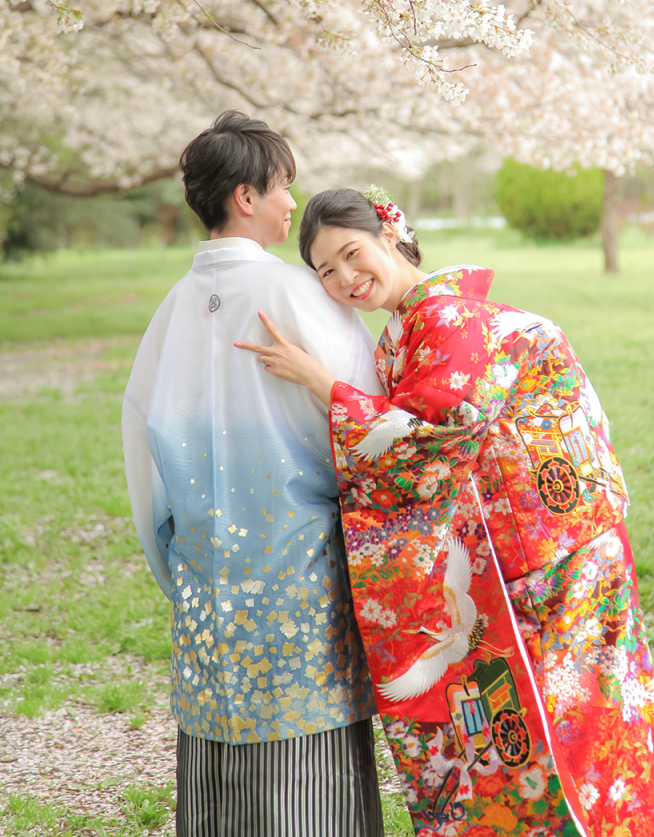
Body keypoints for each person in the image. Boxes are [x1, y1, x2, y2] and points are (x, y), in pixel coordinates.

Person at [236, 186, 654, 837]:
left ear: (390, 234)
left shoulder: (447, 319)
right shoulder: (412, 328)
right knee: (557, 720)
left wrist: (323, 384)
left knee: (572, 725)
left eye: (352, 255)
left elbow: (435, 434)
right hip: (541, 541)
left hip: (555, 552)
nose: (346, 279)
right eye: (326, 271)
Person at [122, 115, 385, 837]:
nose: (290, 204)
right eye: (282, 187)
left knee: (218, 765)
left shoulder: (172, 312)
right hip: (302, 563)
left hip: (206, 572)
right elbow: (365, 424)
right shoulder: (301, 295)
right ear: (245, 195)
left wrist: (174, 563)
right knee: (311, 766)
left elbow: (145, 464)